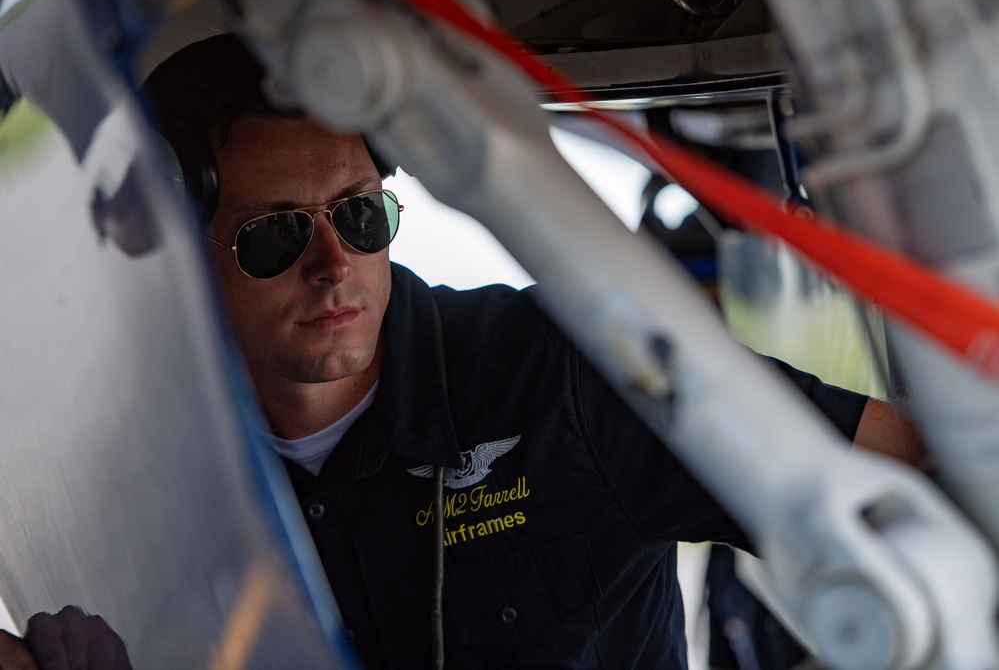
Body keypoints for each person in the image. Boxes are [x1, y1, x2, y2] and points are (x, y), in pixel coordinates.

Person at [0, 34, 923, 669]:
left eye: (363, 218)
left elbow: (894, 471)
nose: (335, 265)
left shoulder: (568, 372)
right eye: (275, 236)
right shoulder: (128, 468)